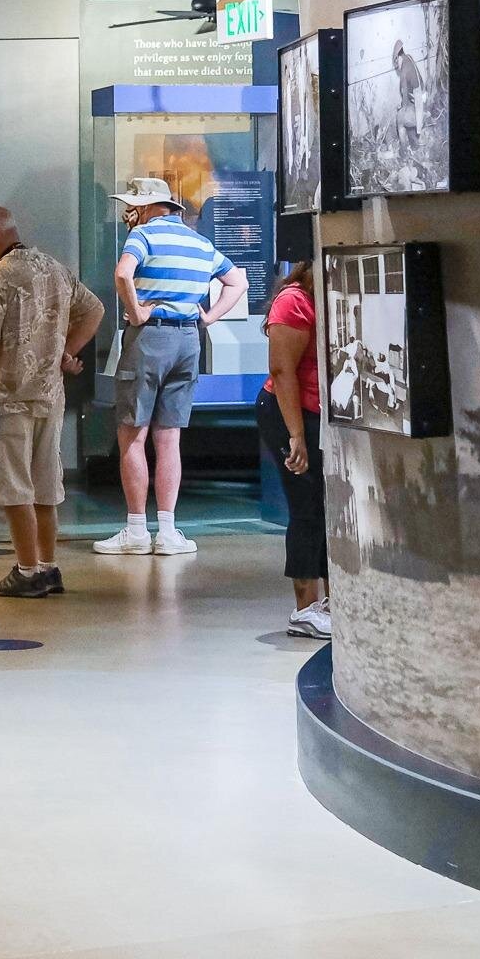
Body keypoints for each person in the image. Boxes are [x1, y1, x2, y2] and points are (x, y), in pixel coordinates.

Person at [98, 176, 249, 556]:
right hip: (188, 341)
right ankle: (167, 531)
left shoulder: (143, 235)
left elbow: (122, 273)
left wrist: (136, 313)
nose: (128, 213)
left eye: (133, 206)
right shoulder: (200, 242)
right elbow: (237, 282)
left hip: (150, 338)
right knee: (169, 438)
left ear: (148, 207)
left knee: (133, 434)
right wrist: (209, 317)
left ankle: (136, 530)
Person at [0, 205, 104, 599]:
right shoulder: (54, 268)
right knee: (45, 486)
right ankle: (48, 566)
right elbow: (94, 309)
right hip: (50, 394)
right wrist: (67, 352)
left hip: (9, 398)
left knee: (14, 488)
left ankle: (27, 571)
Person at [259, 262, 329, 638]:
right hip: (291, 414)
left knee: (325, 507)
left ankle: (332, 602)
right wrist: (296, 435)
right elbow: (282, 370)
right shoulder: (294, 300)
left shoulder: (324, 297)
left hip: (320, 415)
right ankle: (305, 610)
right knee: (306, 507)